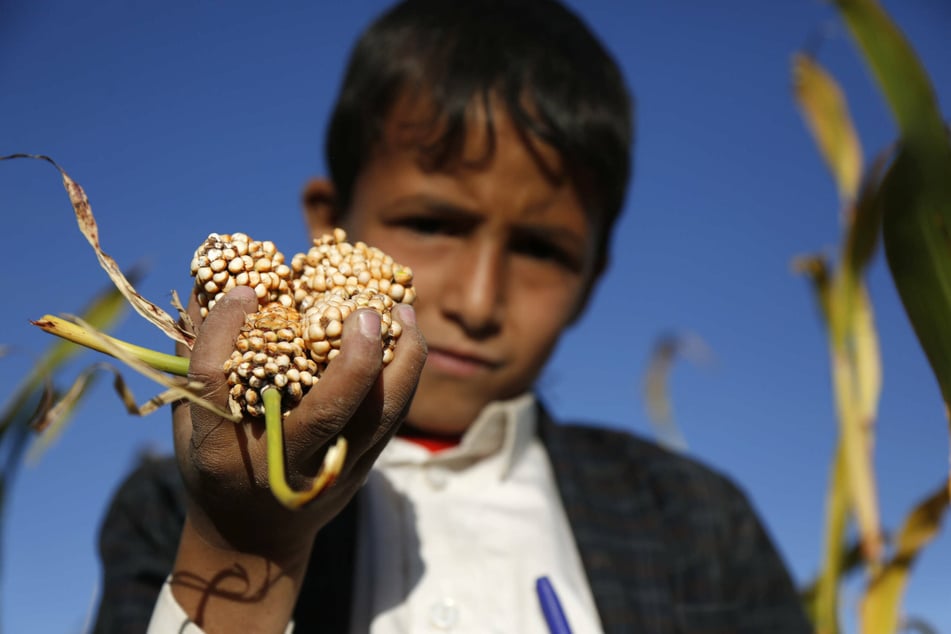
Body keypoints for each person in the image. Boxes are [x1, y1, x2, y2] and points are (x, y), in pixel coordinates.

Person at [93, 1, 812, 632]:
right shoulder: (181, 504)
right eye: (434, 224)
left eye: (540, 249)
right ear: (327, 228)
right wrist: (244, 544)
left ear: (592, 279)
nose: (476, 301)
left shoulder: (694, 524)